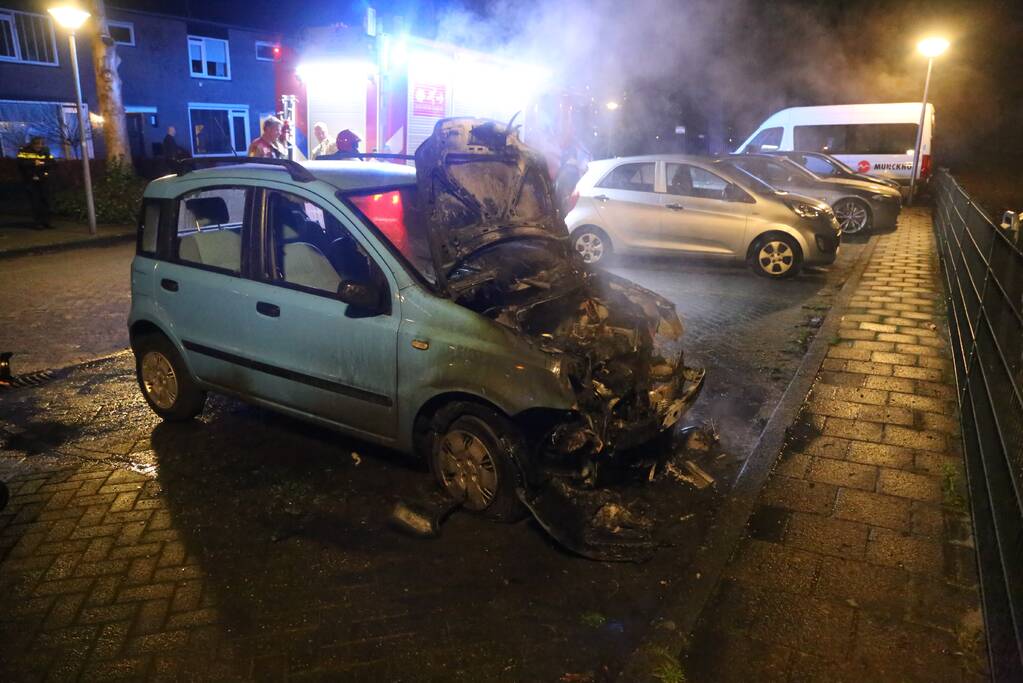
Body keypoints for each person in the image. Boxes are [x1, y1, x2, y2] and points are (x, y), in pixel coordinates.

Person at [17, 136, 54, 230]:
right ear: (33, 144)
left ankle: (47, 222)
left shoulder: (45, 151)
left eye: (41, 143)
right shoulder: (25, 151)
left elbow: (52, 163)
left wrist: (42, 164)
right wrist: (35, 164)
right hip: (31, 180)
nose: (39, 146)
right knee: (35, 202)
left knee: (46, 201)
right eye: (37, 144)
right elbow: (21, 164)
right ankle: (38, 223)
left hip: (44, 180)